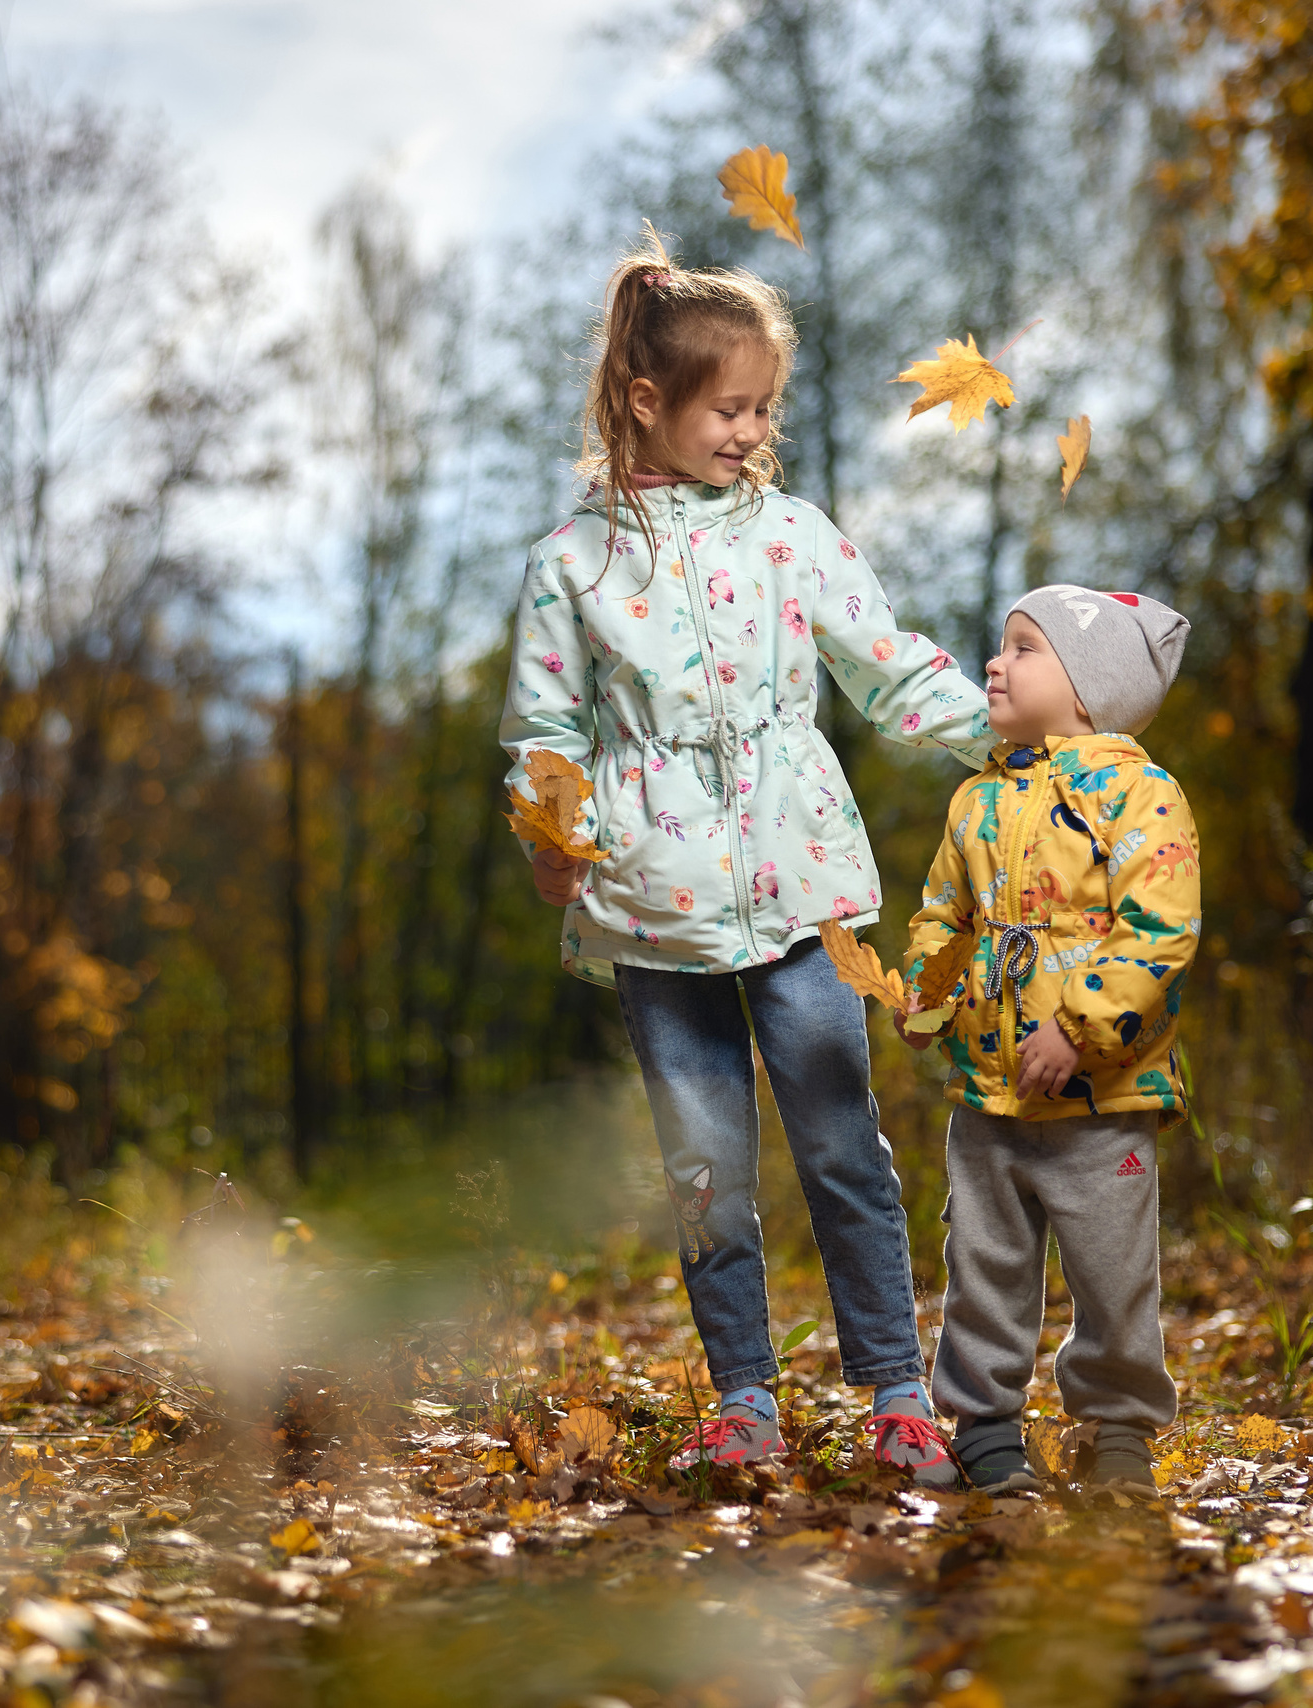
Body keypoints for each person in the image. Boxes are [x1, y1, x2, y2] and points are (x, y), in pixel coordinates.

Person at [498, 231, 994, 1480]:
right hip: (648, 903)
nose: (752, 429)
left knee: (840, 1141)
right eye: (729, 407)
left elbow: (887, 667)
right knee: (705, 1167)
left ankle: (896, 1390)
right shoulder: (572, 563)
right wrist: (552, 835)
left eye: (764, 406)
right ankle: (744, 1400)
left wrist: (1003, 735)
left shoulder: (792, 535)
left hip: (800, 883)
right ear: (645, 399)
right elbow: (545, 732)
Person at [900, 584, 1198, 1497]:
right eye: (1002, 644)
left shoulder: (1140, 794)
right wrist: (929, 992)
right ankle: (985, 1425)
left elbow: (1161, 929)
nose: (995, 662)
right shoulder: (976, 800)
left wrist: (1078, 1027)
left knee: (1113, 1273)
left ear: (1085, 686)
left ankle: (1117, 1429)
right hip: (989, 1094)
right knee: (983, 1262)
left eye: (1025, 647)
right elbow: (942, 914)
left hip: (1103, 1097)